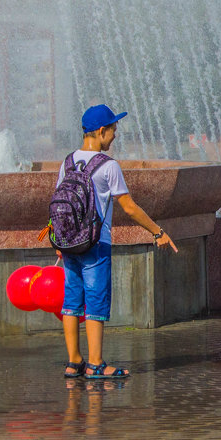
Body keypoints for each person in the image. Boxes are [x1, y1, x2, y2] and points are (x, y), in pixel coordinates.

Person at [60, 104, 178, 380]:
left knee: (72, 302)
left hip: (69, 244)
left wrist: (59, 238)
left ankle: (73, 362)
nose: (115, 136)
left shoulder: (67, 162)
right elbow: (129, 207)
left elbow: (58, 203)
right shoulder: (108, 166)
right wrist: (157, 231)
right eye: (113, 130)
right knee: (96, 302)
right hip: (95, 244)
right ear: (101, 131)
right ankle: (96, 364)